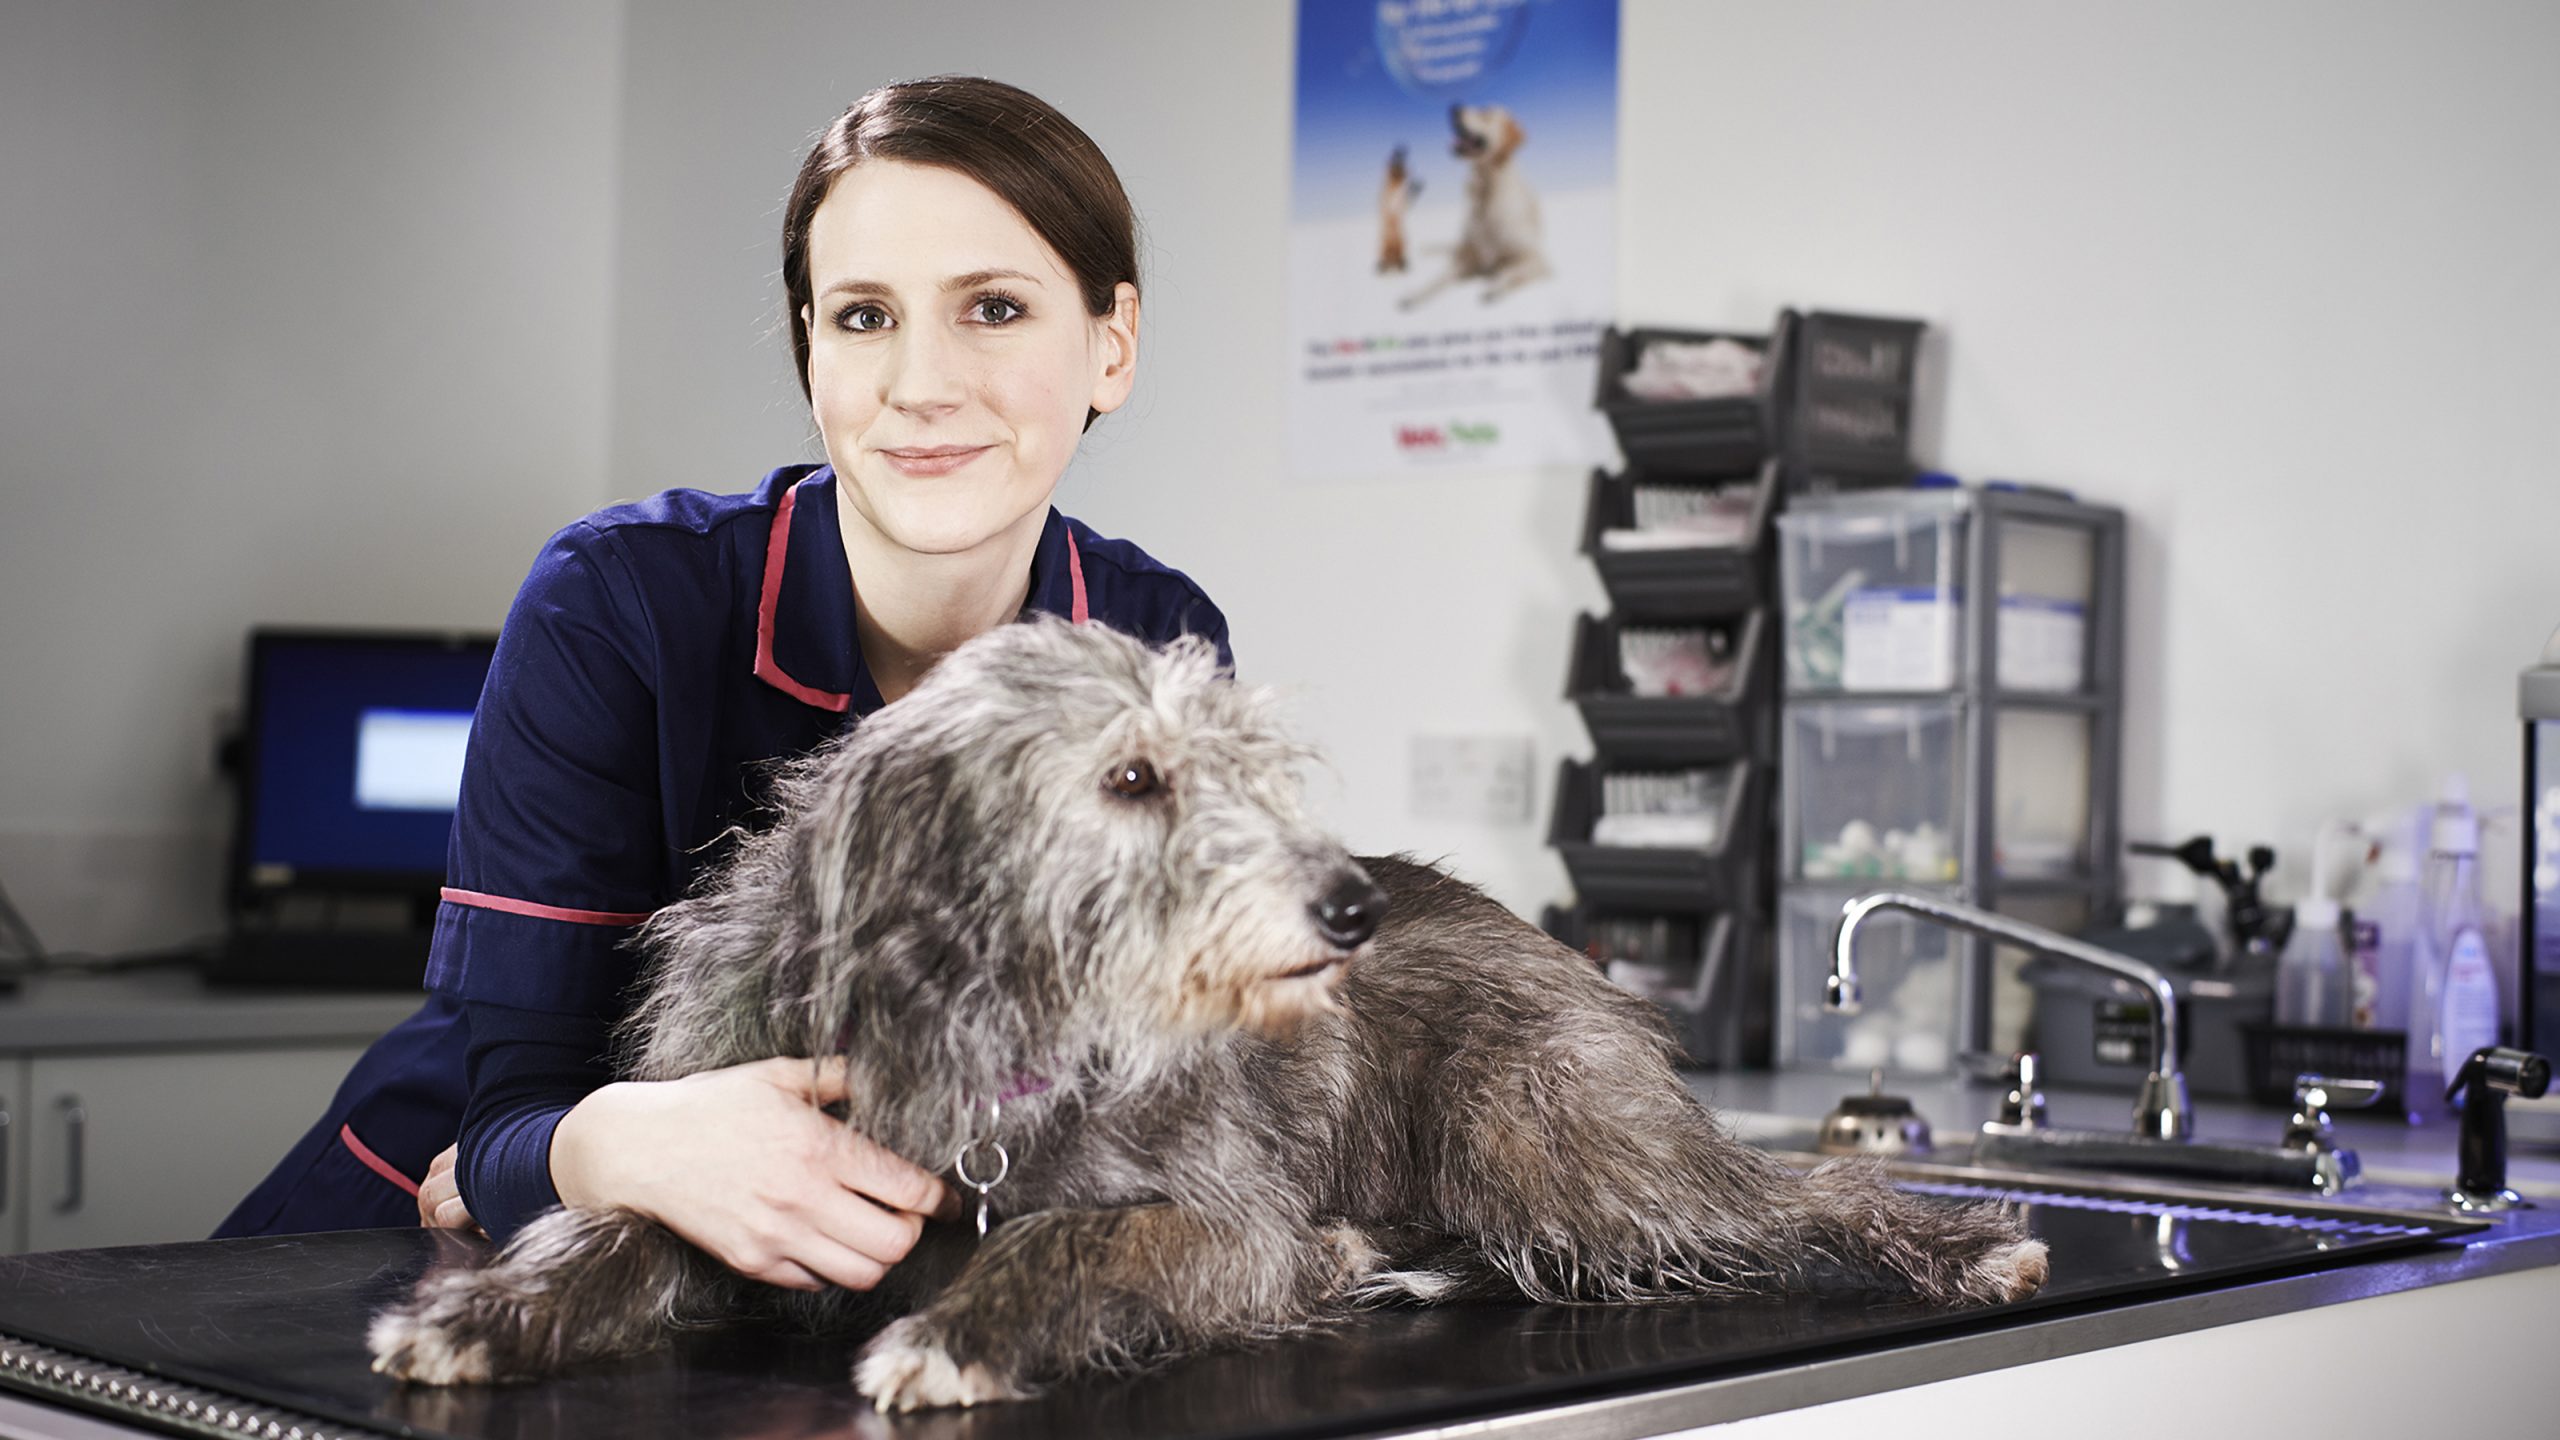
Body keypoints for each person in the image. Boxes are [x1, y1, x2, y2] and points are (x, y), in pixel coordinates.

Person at [217, 77, 1231, 1298]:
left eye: (994, 308)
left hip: (806, 1275)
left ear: (1110, 345)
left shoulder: (1154, 641)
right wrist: (597, 1151)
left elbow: (1130, 1073)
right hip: (418, 1258)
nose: (920, 382)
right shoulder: (619, 602)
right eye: (863, 317)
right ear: (811, 345)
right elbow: (500, 1136)